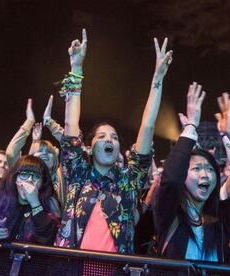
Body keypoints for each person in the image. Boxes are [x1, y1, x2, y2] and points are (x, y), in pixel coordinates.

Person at [55, 29, 173, 254]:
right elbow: (71, 124)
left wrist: (157, 81)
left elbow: (147, 127)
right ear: (89, 147)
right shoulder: (78, 173)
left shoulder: (128, 182)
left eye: (114, 137)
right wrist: (76, 68)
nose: (109, 139)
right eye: (101, 136)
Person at [154, 88, 230, 262]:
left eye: (209, 169)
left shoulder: (223, 215)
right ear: (183, 177)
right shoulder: (169, 211)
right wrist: (191, 126)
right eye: (196, 168)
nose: (205, 174)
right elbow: (170, 179)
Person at [0, 155, 60, 245]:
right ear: (15, 179)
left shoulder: (50, 205)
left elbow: (47, 239)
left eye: (36, 176)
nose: (29, 180)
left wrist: (34, 202)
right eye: (24, 174)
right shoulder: (2, 202)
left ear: (42, 183)